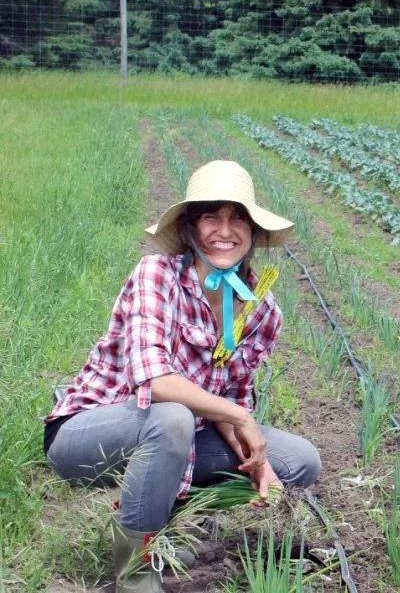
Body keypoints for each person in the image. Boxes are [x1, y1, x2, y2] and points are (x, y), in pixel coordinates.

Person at [43, 160, 322, 593]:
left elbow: (231, 397)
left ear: (253, 233)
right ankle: (134, 571)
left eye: (237, 219)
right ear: (191, 229)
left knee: (299, 460)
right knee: (171, 415)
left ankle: (167, 525)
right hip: (91, 432)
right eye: (211, 216)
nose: (224, 230)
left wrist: (255, 455)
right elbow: (154, 383)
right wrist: (242, 417)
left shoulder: (261, 309)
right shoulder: (157, 276)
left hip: (174, 435)